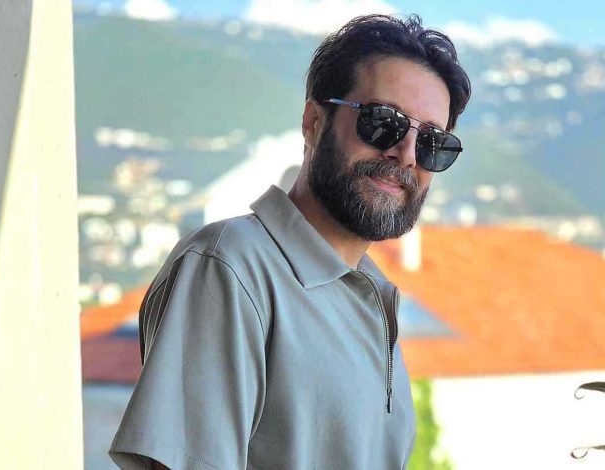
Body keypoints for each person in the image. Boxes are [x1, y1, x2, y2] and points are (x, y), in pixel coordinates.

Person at [109, 13, 471, 470]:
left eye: (433, 143)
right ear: (314, 122)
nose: (406, 154)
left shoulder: (373, 299)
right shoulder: (230, 268)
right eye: (383, 121)